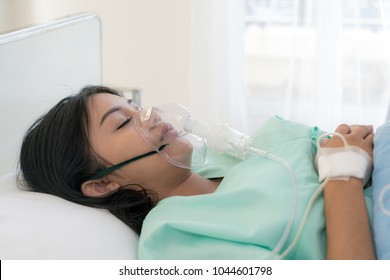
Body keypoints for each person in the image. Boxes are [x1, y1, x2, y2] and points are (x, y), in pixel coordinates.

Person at [18, 85, 375, 260]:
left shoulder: (228, 157)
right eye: (125, 121)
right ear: (102, 183)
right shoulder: (174, 240)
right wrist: (344, 176)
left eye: (137, 106)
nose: (152, 115)